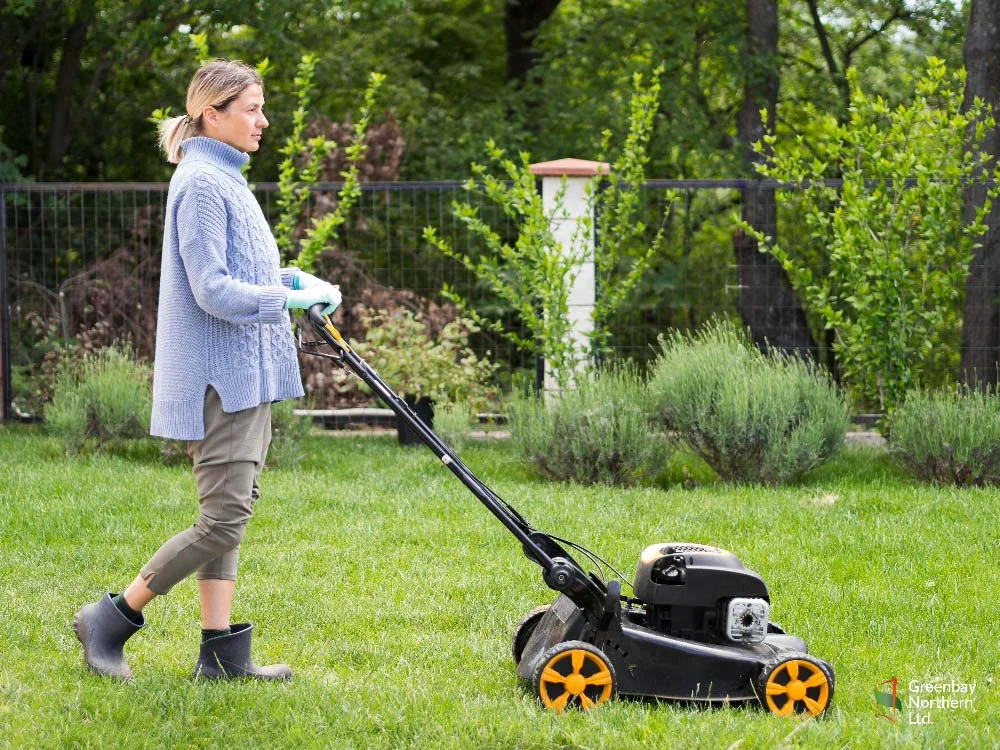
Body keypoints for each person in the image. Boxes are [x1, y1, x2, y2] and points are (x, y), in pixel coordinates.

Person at [73, 59, 340, 682]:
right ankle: (110, 617)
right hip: (223, 379)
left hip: (247, 374)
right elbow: (213, 290)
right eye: (252, 108)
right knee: (222, 519)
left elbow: (241, 273)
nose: (263, 120)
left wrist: (293, 281)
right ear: (211, 114)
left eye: (263, 106)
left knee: (234, 509)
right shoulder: (200, 183)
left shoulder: (226, 179)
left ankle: (219, 655)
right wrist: (288, 300)